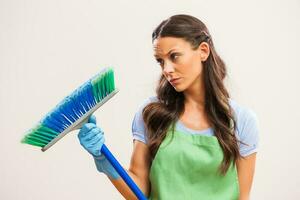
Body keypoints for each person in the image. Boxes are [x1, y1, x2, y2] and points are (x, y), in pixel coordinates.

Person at [77, 14, 259, 200]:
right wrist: (104, 160)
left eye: (174, 56)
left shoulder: (241, 121)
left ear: (203, 51)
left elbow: (242, 197)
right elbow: (138, 189)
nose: (166, 69)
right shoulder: (152, 113)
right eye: (160, 61)